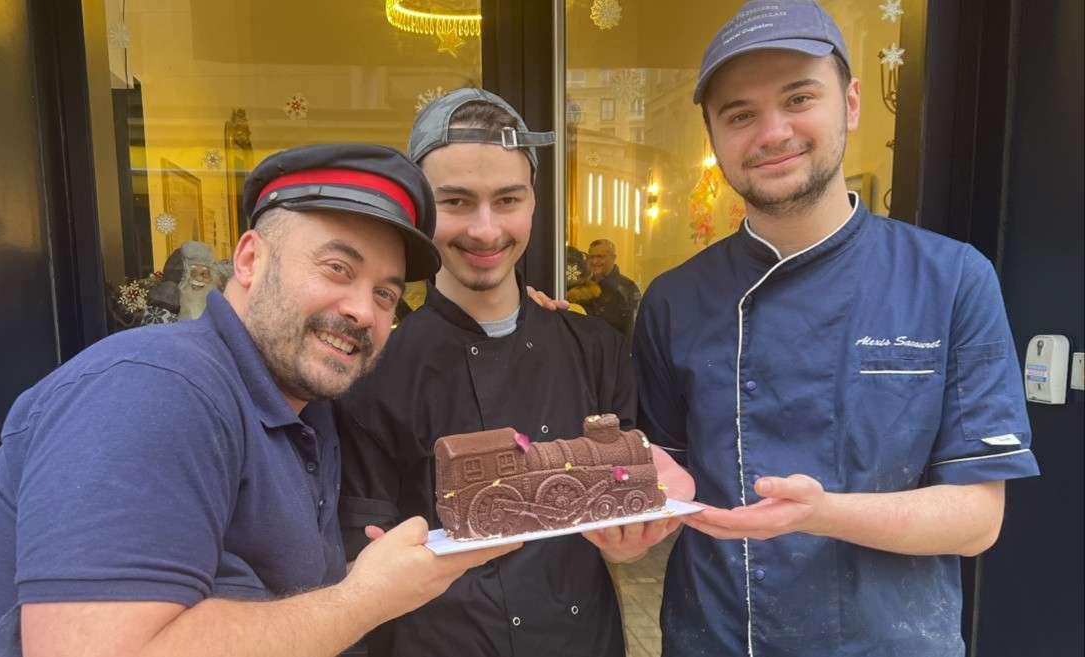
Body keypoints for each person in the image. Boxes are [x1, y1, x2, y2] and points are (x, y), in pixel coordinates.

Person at [0, 144, 517, 657]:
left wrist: (523, 312)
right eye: (337, 267)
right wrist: (362, 600)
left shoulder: (307, 405)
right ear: (251, 259)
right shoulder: (154, 388)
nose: (364, 310)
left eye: (386, 295)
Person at [633, 2, 1041, 655]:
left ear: (850, 103)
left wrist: (823, 512)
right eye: (739, 114)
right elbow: (668, 472)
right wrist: (636, 516)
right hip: (715, 639)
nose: (772, 132)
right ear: (711, 134)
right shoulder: (673, 299)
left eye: (799, 98)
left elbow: (976, 518)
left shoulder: (952, 278)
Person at [334, 88, 690, 657]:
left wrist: (630, 538)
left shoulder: (594, 347)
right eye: (455, 202)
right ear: (420, 211)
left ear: (532, 202)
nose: (484, 230)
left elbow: (632, 481)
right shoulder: (374, 373)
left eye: (506, 199)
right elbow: (364, 558)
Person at [580, 238, 641, 337]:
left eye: (600, 257)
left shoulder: (627, 288)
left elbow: (634, 328)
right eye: (591, 257)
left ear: (613, 258)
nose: (595, 261)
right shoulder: (580, 287)